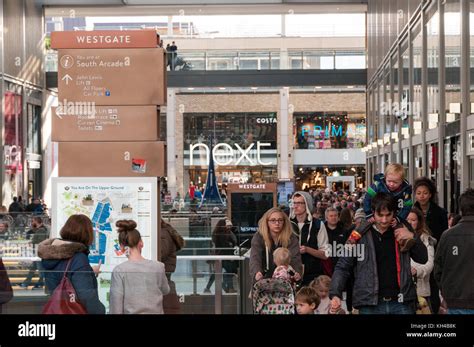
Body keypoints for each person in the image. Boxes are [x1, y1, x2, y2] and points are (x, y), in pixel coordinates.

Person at [330, 192, 428, 314]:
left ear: (394, 213)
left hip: (401, 302)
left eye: (388, 215)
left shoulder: (402, 229)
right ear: (373, 212)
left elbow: (423, 258)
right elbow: (343, 266)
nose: (384, 220)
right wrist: (335, 294)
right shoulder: (358, 235)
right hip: (369, 304)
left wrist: (412, 237)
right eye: (380, 215)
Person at [38, 214, 105, 314]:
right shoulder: (78, 258)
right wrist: (100, 311)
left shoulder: (51, 255)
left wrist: (88, 271)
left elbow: (62, 274)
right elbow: (86, 297)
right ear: (87, 234)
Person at [110, 220, 170, 314]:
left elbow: (116, 307)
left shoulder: (119, 270)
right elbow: (166, 290)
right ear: (141, 243)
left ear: (121, 247)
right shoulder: (158, 267)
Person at [434, 189, 474, 314]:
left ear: (461, 209)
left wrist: (446, 292)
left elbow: (438, 269)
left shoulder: (447, 235)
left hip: (454, 301)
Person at [413, 176, 448, 314]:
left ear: (431, 194)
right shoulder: (410, 211)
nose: (422, 196)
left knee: (433, 287)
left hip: (435, 253)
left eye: (425, 193)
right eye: (419, 193)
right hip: (415, 254)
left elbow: (443, 235)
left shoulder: (440, 213)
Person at [363, 163, 414, 252]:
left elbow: (408, 206)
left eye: (395, 182)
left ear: (402, 181)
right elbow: (367, 199)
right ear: (385, 177)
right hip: (376, 215)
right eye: (389, 181)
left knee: (401, 229)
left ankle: (404, 243)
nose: (391, 184)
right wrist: (368, 214)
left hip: (395, 216)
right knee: (363, 227)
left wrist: (399, 218)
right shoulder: (377, 185)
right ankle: (356, 242)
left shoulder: (406, 190)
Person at [250, 207, 302, 284]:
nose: (277, 223)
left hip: (285, 283)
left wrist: (296, 273)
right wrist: (257, 272)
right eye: (273, 220)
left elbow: (295, 258)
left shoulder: (291, 237)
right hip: (263, 282)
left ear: (284, 222)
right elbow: (255, 258)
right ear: (267, 222)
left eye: (280, 220)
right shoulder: (258, 237)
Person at [289, 192, 329, 286]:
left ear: (307, 204)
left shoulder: (318, 224)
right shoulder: (287, 224)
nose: (295, 206)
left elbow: (325, 254)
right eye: (294, 203)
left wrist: (307, 249)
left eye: (299, 203)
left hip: (312, 275)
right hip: (290, 274)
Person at [407, 208, 435, 312]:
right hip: (403, 293)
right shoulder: (397, 237)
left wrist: (416, 271)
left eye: (413, 220)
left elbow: (430, 264)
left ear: (418, 222)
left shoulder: (426, 239)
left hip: (421, 292)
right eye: (407, 219)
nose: (410, 222)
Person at [204, 219, 237, 293]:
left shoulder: (217, 233)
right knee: (229, 272)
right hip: (225, 256)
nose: (228, 226)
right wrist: (231, 246)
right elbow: (226, 245)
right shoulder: (223, 234)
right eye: (226, 225)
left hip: (219, 255)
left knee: (216, 272)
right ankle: (229, 287)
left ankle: (207, 288)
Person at [160, 219, 184, 314]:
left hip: (163, 272)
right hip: (165, 272)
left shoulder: (162, 234)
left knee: (166, 302)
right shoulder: (165, 232)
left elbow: (161, 254)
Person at [20, 217, 50, 289]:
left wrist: (32, 242)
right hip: (37, 252)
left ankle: (40, 283)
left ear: (36, 222)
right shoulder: (40, 229)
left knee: (40, 269)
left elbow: (40, 241)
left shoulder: (41, 230)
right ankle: (26, 283)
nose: (32, 223)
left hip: (38, 252)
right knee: (33, 268)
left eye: (33, 221)